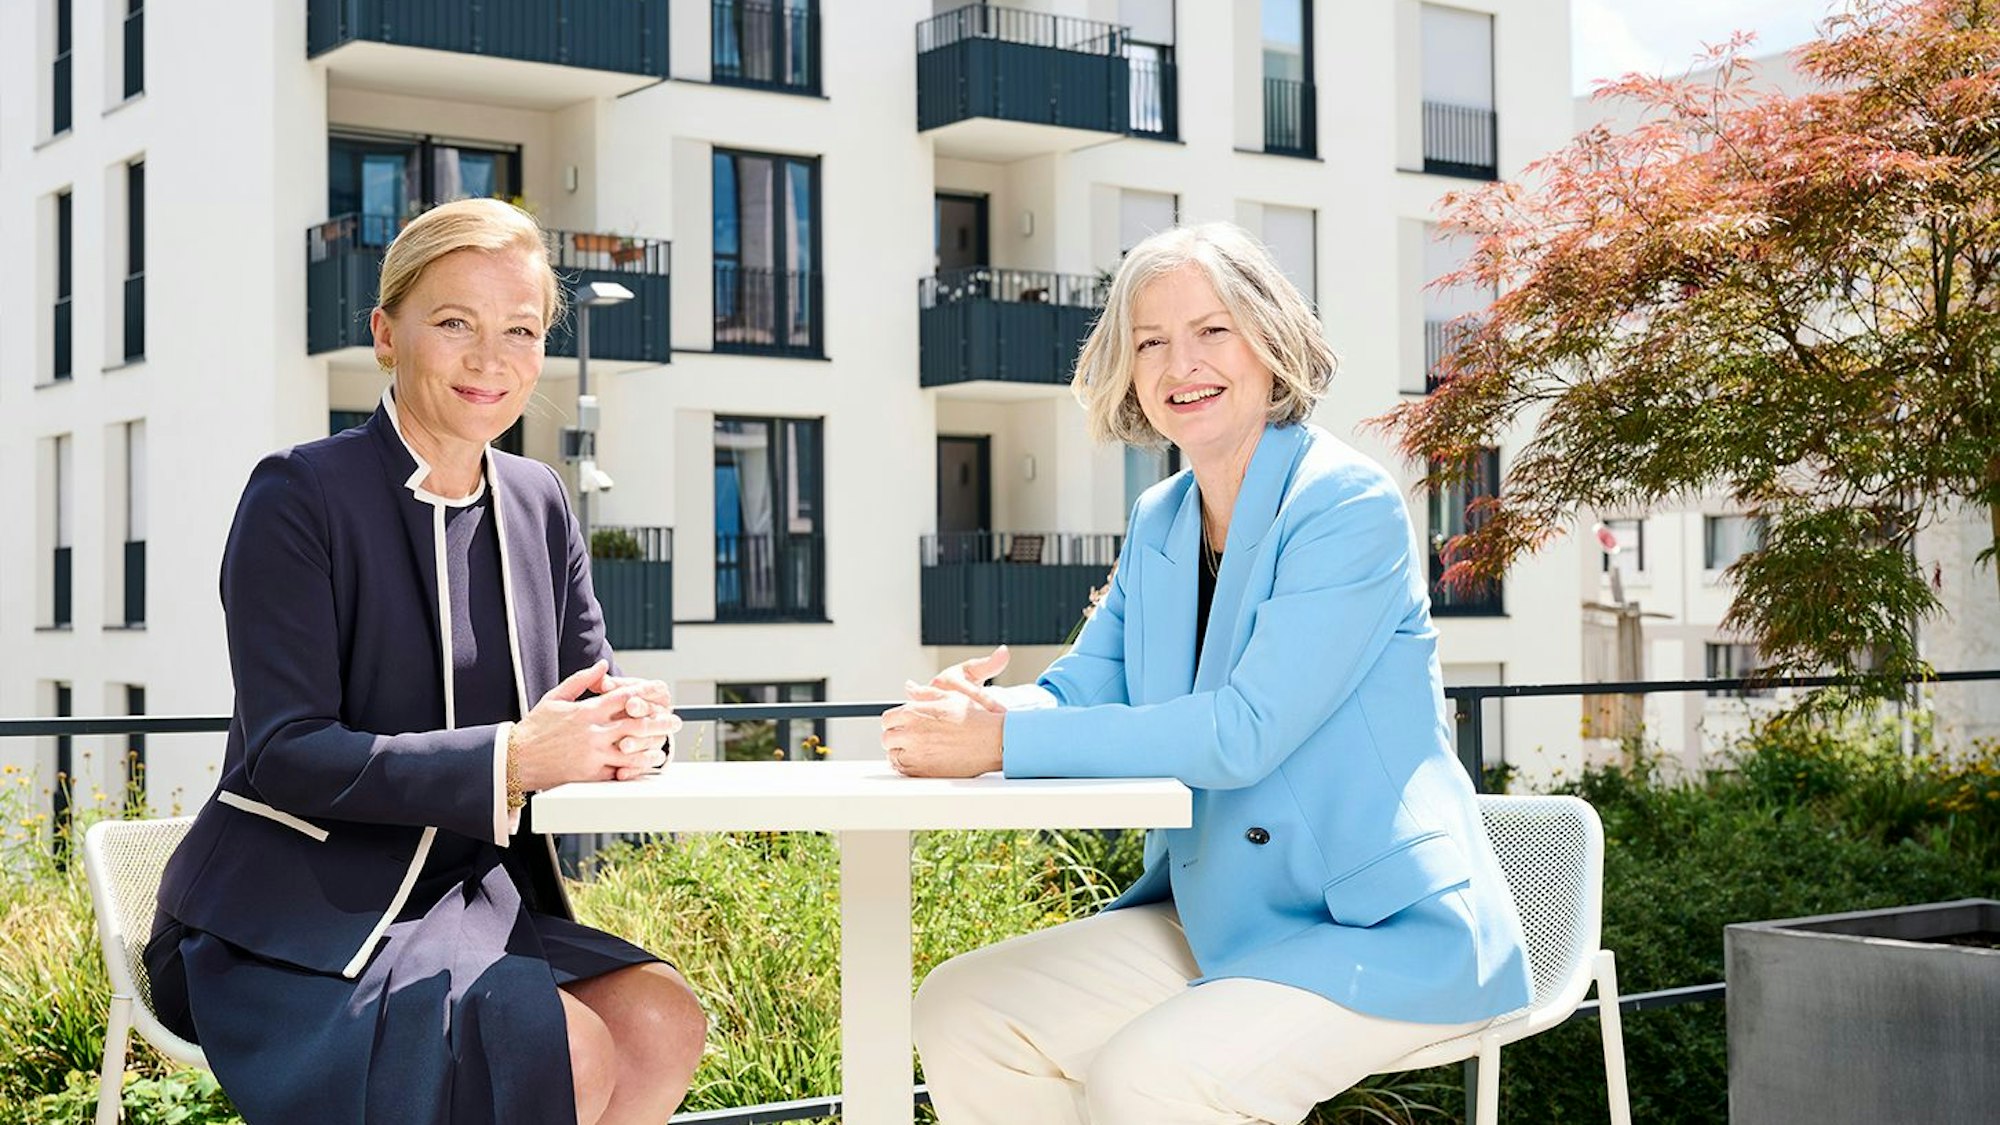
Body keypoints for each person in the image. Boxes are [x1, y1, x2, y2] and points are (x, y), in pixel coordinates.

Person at [882, 222, 1533, 1125]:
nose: (1180, 362)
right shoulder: (1161, 519)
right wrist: (978, 711)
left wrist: (1001, 740)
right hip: (1222, 914)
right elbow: (1078, 693)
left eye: (1211, 330)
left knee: (1151, 1079)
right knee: (965, 1010)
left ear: (1271, 341)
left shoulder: (1346, 503)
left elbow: (1244, 731)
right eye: (1150, 341)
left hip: (1377, 930)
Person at [146, 198, 706, 1125]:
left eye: (520, 330)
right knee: (565, 1047)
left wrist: (628, 728)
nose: (491, 359)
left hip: (472, 901)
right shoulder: (298, 493)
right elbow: (286, 750)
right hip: (289, 915)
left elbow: (586, 682)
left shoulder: (539, 498)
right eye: (455, 324)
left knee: (660, 1018)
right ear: (385, 334)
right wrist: (515, 760)